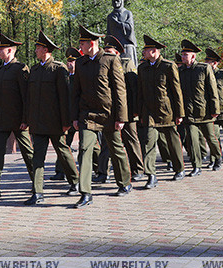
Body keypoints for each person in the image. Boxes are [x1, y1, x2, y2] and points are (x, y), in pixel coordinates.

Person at [71, 25, 128, 206]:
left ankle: (124, 182)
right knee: (85, 150)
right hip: (88, 115)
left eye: (83, 42)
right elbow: (76, 92)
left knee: (115, 149)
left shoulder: (110, 60)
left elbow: (120, 91)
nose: (80, 46)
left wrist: (121, 117)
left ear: (92, 43)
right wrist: (74, 117)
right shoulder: (81, 63)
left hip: (109, 115)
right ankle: (86, 192)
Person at [24, 31, 78, 205]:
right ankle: (38, 191)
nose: (35, 50)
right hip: (38, 123)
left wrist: (66, 122)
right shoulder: (35, 69)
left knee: (62, 152)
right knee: (37, 158)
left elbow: (65, 97)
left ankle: (75, 182)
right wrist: (28, 119)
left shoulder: (58, 68)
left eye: (38, 48)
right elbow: (30, 98)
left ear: (45, 49)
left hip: (55, 122)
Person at [0, 34, 34, 199]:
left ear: (10, 50)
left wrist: (25, 119)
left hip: (17, 120)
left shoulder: (20, 68)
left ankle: (37, 182)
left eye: (1, 49)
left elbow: (26, 96)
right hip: (0, 120)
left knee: (27, 152)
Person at [136, 35, 185, 188]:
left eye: (146, 50)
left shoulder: (168, 66)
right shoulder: (142, 68)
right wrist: (139, 112)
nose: (143, 52)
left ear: (154, 51)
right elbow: (140, 92)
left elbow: (177, 92)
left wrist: (179, 114)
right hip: (149, 112)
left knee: (172, 142)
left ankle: (179, 168)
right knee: (149, 143)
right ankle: (151, 175)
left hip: (166, 112)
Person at [103, 35, 144, 182]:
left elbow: (133, 90)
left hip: (127, 109)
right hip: (109, 110)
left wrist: (134, 110)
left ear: (117, 53)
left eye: (110, 52)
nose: (107, 54)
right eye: (105, 51)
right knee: (107, 143)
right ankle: (103, 172)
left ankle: (138, 169)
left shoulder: (126, 64)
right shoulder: (102, 63)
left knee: (131, 140)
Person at [177, 40, 221, 176]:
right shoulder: (180, 71)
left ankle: (217, 157)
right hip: (189, 113)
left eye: (186, 54)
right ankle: (197, 166)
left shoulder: (203, 68)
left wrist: (215, 110)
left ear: (193, 56)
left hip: (204, 112)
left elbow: (213, 91)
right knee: (192, 141)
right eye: (182, 54)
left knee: (211, 138)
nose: (183, 57)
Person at [51, 47, 81, 181]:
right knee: (64, 145)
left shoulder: (81, 78)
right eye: (68, 61)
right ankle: (60, 171)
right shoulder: (65, 77)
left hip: (81, 116)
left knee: (91, 145)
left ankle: (99, 170)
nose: (69, 64)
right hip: (68, 117)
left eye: (73, 61)